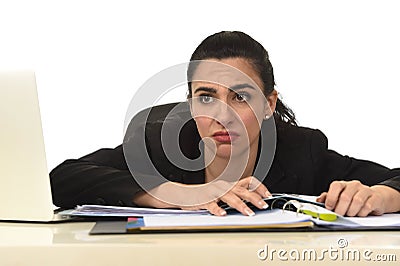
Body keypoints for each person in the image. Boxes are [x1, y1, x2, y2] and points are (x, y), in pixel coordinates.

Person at [50, 31, 400, 217]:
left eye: (241, 96)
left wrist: (383, 195)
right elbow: (62, 177)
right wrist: (187, 195)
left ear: (269, 104)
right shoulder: (157, 141)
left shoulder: (300, 151)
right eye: (206, 97)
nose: (222, 114)